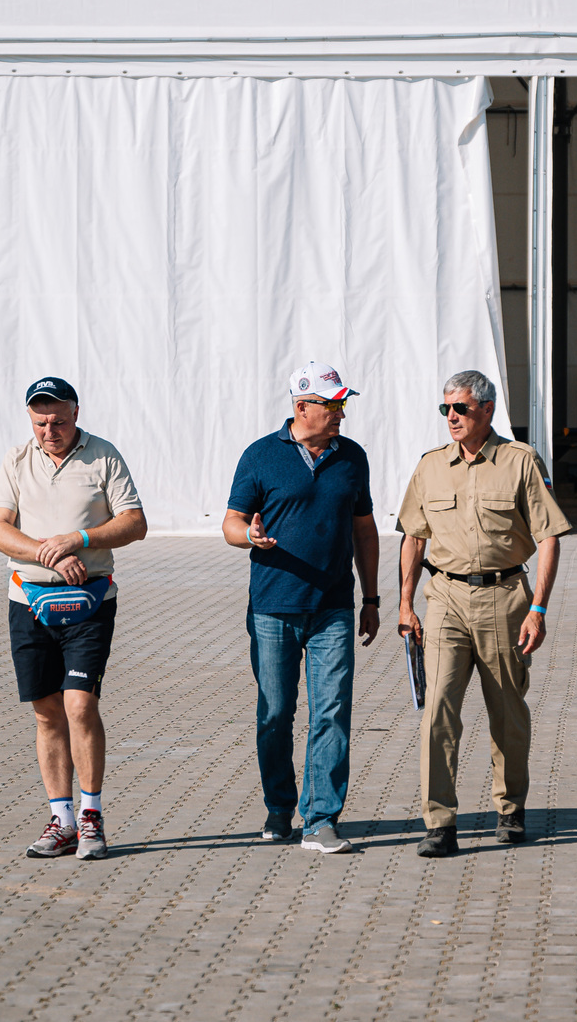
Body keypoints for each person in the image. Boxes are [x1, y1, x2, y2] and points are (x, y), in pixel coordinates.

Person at [397, 370, 571, 856]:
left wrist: (538, 608)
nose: (451, 417)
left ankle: (510, 809)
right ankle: (439, 822)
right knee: (438, 710)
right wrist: (405, 603)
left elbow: (549, 537)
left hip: (504, 597)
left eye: (461, 408)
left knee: (507, 711)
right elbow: (414, 537)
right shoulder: (430, 466)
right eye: (445, 409)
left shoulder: (520, 461)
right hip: (445, 599)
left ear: (487, 410)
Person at [0, 377, 147, 859]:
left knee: (79, 705)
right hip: (28, 602)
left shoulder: (103, 456)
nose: (49, 431)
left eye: (57, 421)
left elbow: (135, 523)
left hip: (89, 603)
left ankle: (91, 816)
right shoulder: (17, 460)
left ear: (76, 413)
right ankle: (62, 820)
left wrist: (79, 539)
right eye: (40, 422)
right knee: (46, 712)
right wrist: (47, 552)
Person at [222, 361, 380, 854]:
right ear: (302, 406)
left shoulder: (352, 457)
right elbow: (230, 523)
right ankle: (279, 808)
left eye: (342, 405)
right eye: (333, 406)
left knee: (331, 712)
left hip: (333, 608)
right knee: (275, 714)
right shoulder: (260, 455)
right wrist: (249, 535)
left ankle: (321, 819)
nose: (341, 414)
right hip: (273, 608)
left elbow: (365, 530)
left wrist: (371, 598)